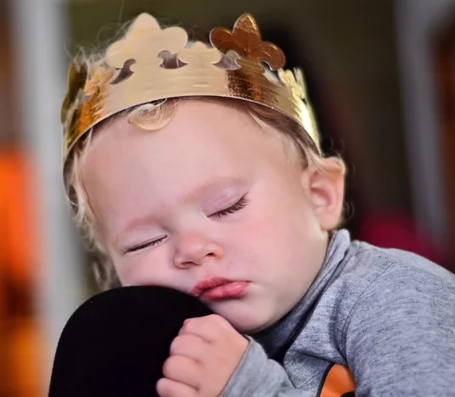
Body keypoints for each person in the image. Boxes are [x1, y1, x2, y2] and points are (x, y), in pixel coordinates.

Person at [59, 12, 455, 397]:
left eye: (227, 207)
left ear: (321, 196)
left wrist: (250, 388)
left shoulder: (393, 298)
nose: (193, 250)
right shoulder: (174, 349)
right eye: (145, 241)